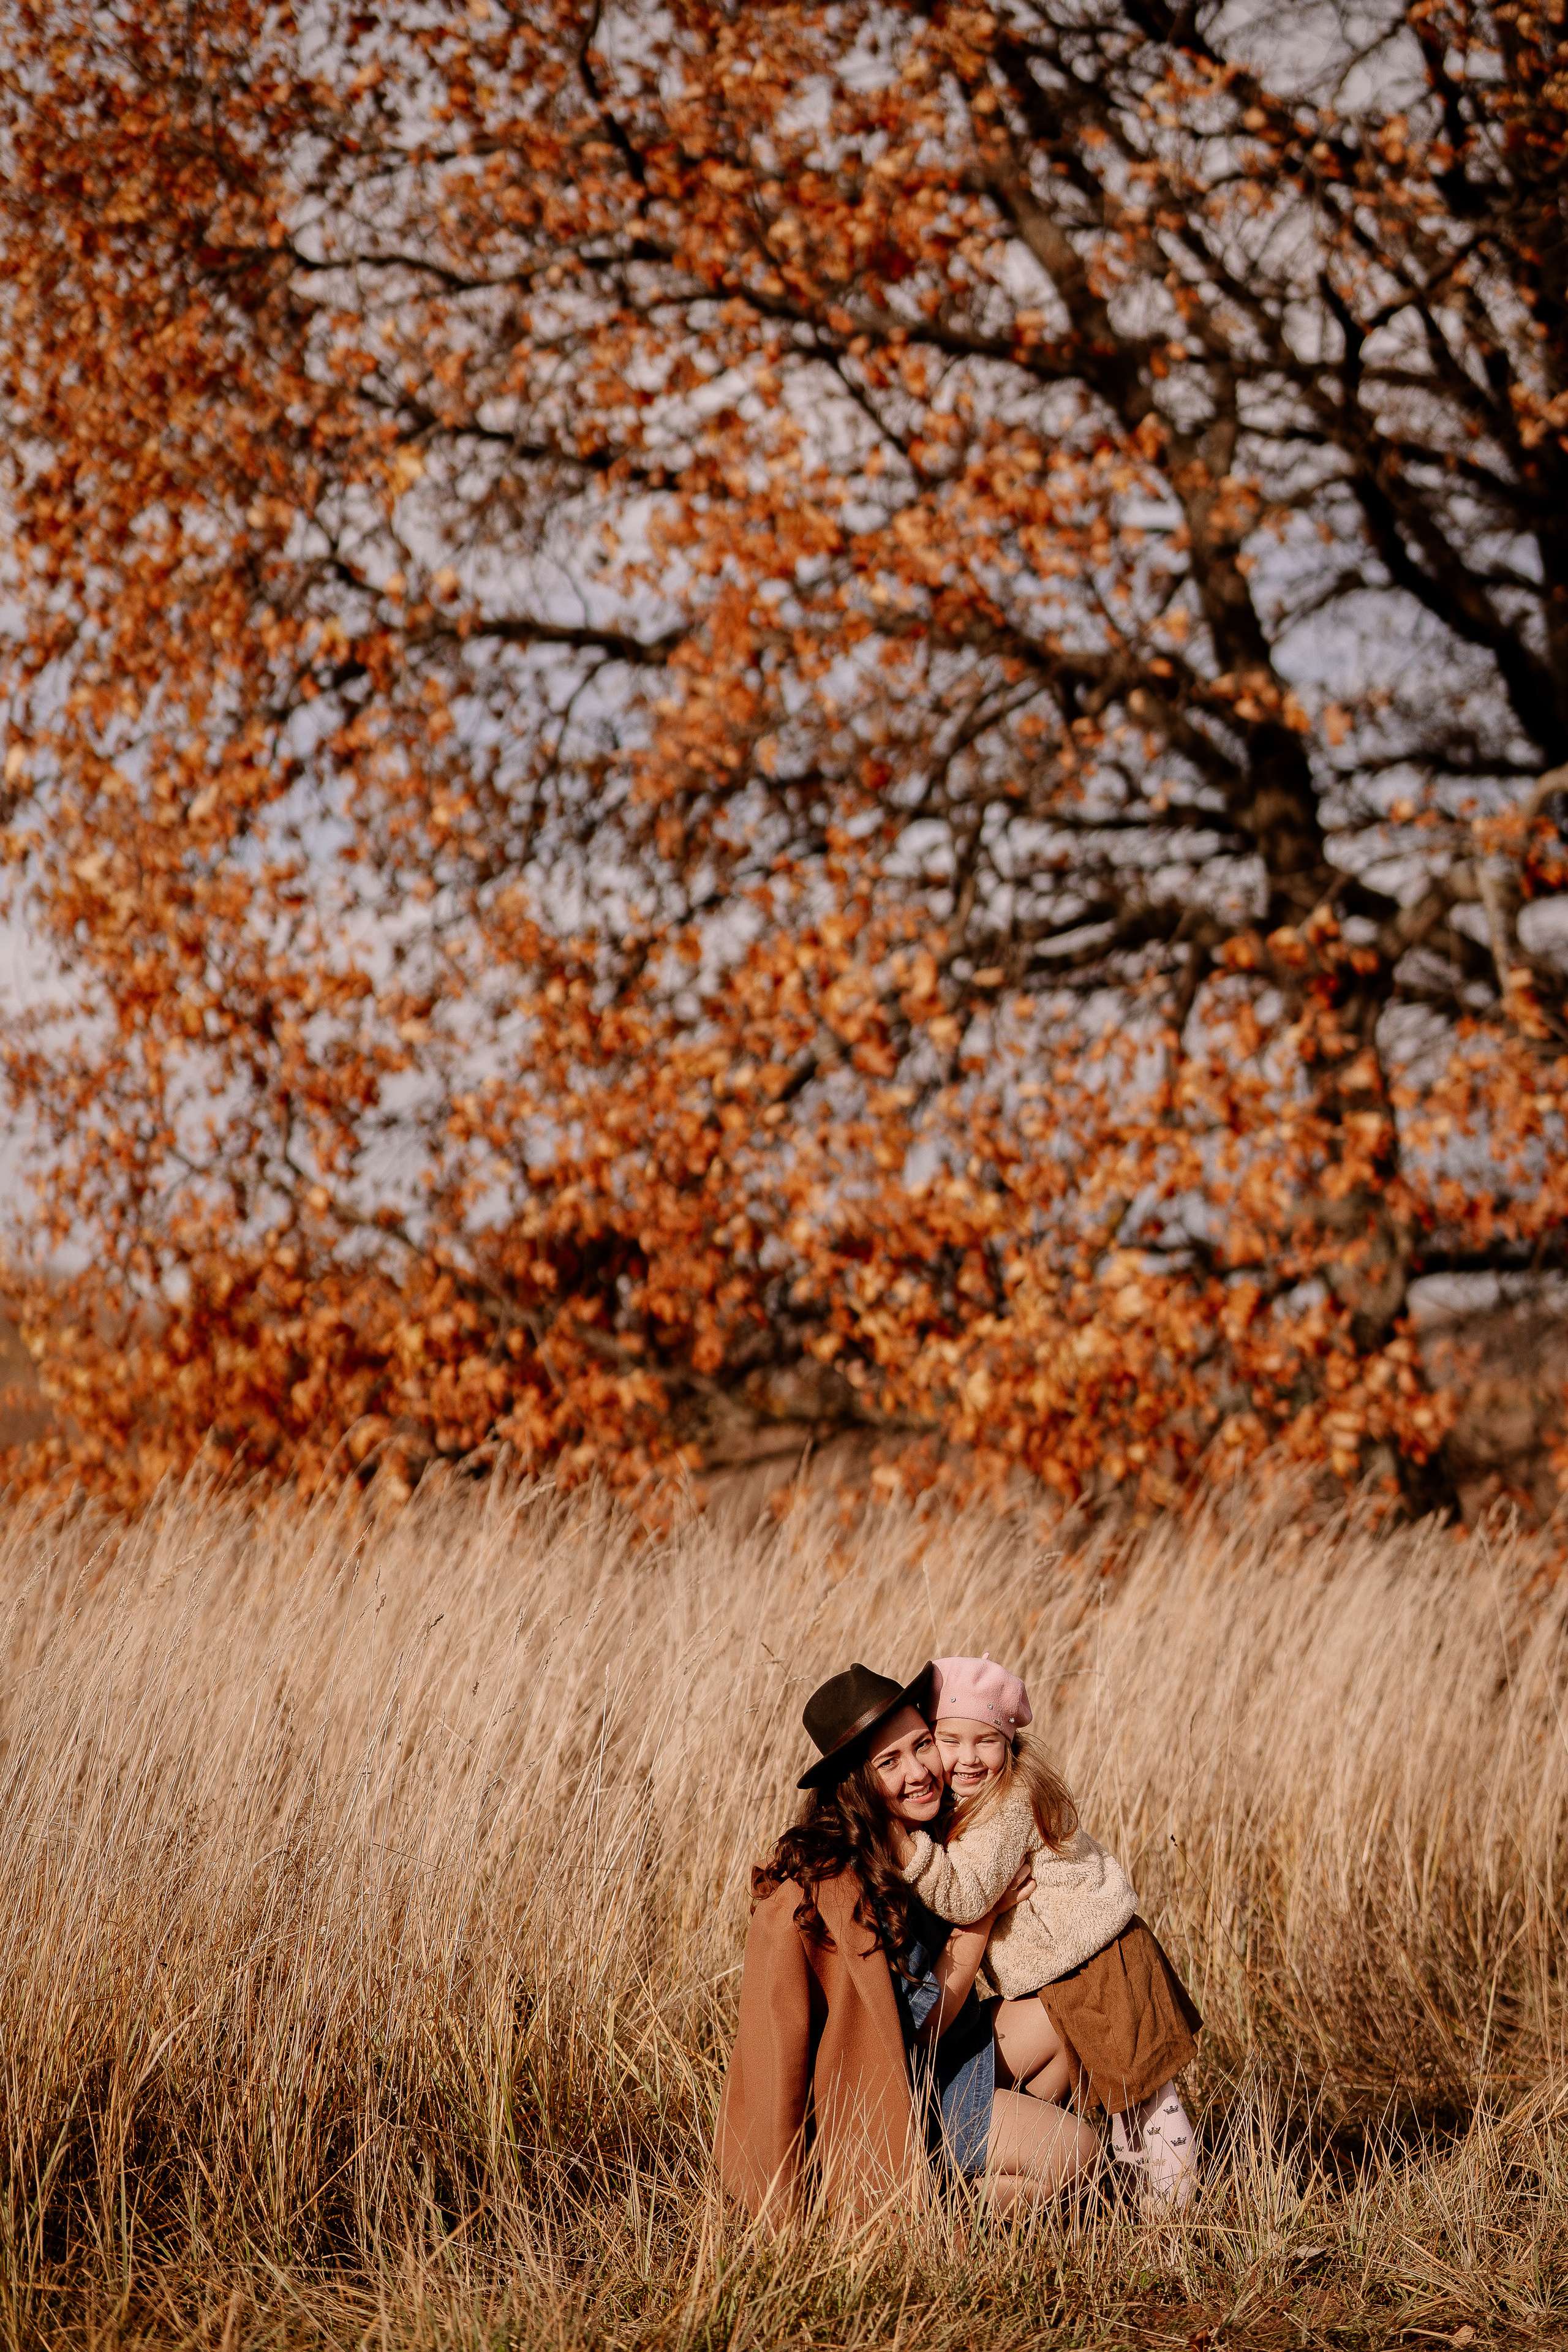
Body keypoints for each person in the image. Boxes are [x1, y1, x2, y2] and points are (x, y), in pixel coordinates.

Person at [715, 1660, 1101, 2222]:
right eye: (889, 1762)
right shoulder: (845, 1883)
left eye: (923, 1745)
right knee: (1080, 2156)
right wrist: (980, 1919)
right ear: (855, 1783)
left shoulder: (930, 1833)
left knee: (1072, 2012)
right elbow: (915, 2029)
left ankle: (982, 2155)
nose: (920, 1771)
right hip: (902, 2089)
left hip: (952, 2062)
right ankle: (935, 2204)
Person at [892, 1654, 1202, 2209]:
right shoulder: (972, 1803)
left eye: (985, 1742)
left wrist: (909, 1852)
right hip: (1080, 1959)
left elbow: (966, 1897)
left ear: (1009, 1745)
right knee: (1123, 2093)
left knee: (1143, 2096)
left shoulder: (1004, 1806)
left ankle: (1173, 2210)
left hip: (1098, 1960)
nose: (967, 1758)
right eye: (950, 1740)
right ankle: (1133, 2198)